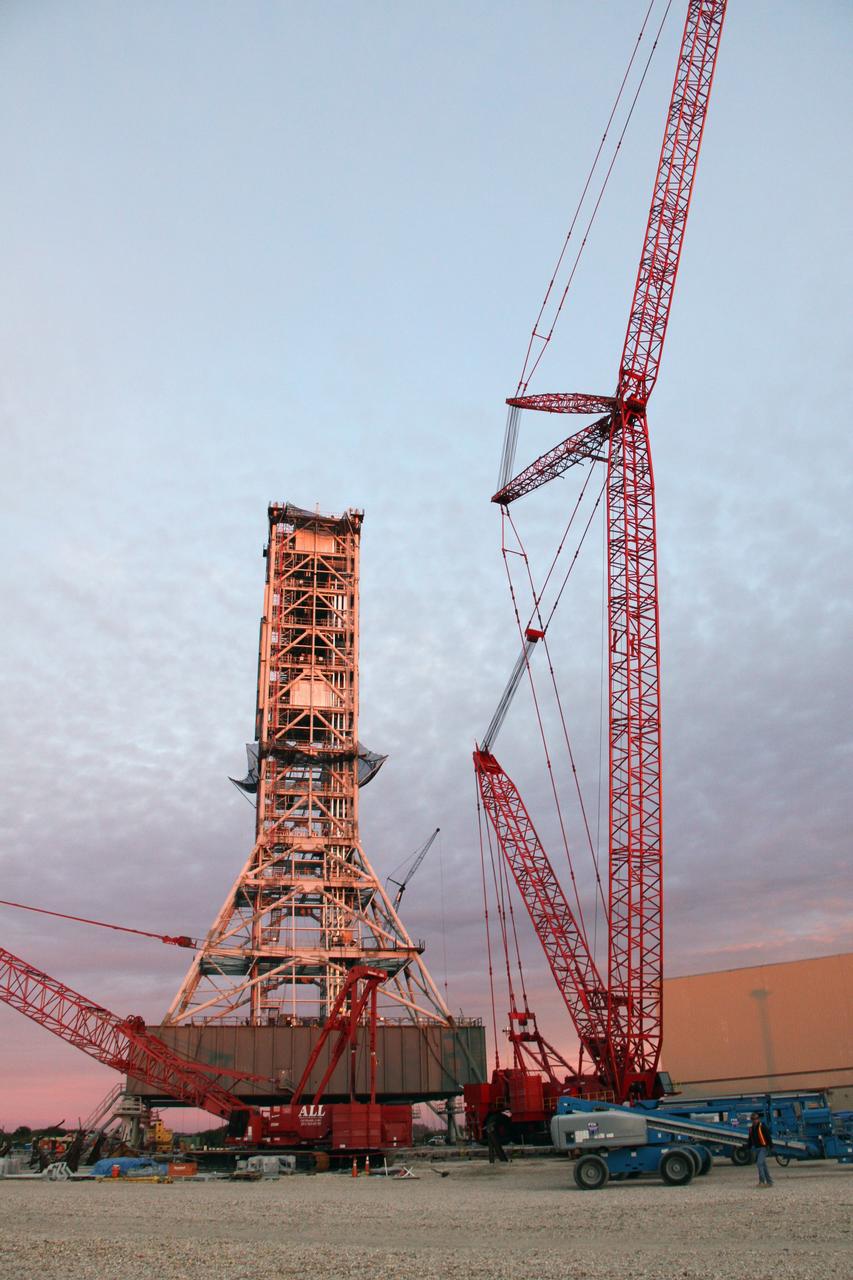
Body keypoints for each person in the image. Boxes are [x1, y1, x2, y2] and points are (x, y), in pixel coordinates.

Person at [747, 1111, 774, 1187]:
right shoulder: (751, 1128)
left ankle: (762, 1181)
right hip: (757, 1148)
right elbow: (750, 1139)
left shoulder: (762, 1126)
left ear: (758, 1119)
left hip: (764, 1148)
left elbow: (768, 1137)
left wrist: (771, 1146)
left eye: (756, 1119)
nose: (754, 1120)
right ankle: (770, 1182)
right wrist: (748, 1147)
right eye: (753, 1119)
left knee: (759, 1163)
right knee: (763, 1165)